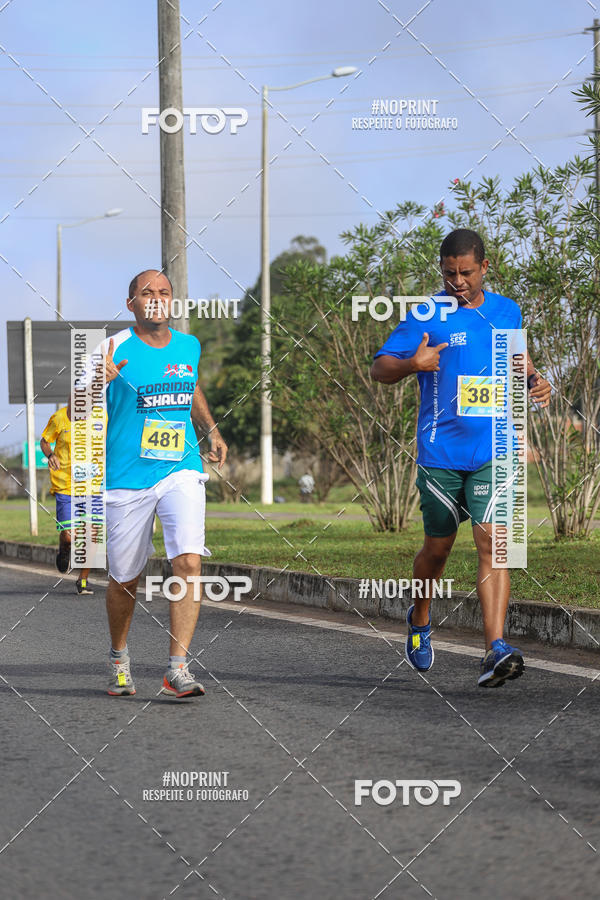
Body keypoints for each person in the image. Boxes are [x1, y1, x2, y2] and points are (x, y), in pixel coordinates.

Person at [371, 229, 551, 688]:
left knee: (496, 542)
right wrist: (413, 364)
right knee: (438, 549)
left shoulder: (507, 310)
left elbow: (519, 363)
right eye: (449, 273)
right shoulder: (426, 314)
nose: (458, 282)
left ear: (484, 268)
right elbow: (380, 368)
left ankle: (495, 648)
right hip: (440, 454)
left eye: (466, 273)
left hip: (496, 450)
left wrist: (537, 381)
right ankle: (420, 615)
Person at [80, 269, 227, 698]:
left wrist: (210, 430)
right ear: (132, 304)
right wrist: (97, 380)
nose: (157, 298)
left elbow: (191, 384)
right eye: (147, 293)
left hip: (180, 467)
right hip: (126, 478)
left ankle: (177, 668)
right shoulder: (109, 348)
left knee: (189, 561)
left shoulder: (189, 345)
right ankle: (119, 656)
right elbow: (76, 410)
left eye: (164, 292)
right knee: (126, 578)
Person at [40, 406, 95, 595]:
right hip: (65, 484)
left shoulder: (102, 417)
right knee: (69, 535)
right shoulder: (60, 417)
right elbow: (45, 441)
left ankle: (83, 580)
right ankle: (65, 550)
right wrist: (50, 455)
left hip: (92, 484)